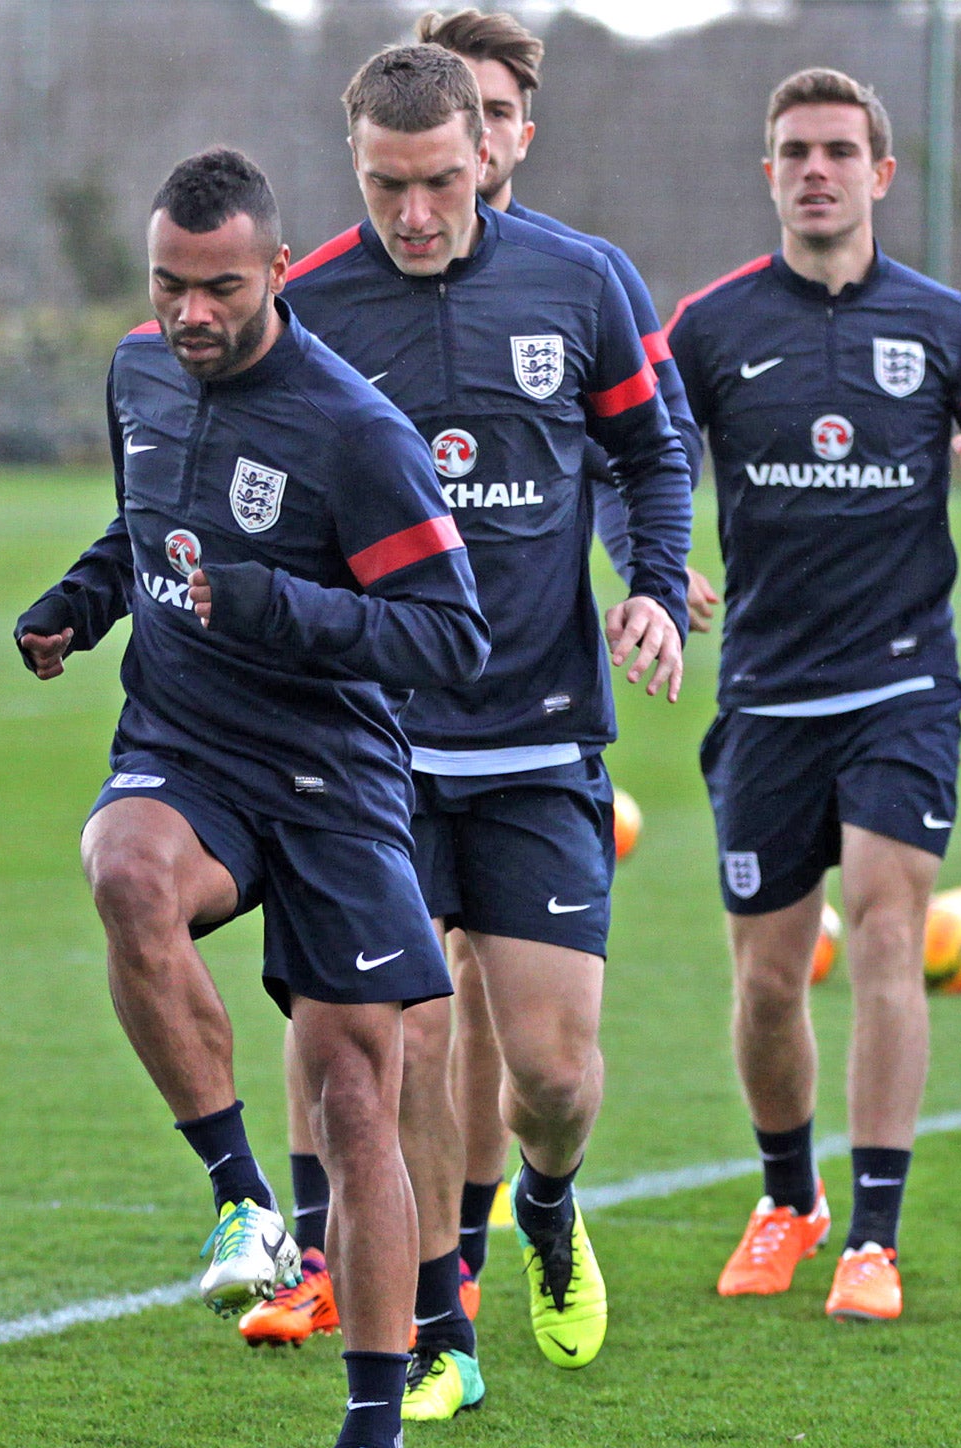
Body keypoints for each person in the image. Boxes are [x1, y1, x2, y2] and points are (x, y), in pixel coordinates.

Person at [15, 148, 486, 1448]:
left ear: (278, 270)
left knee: (353, 1098)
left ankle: (370, 1447)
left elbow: (451, 637)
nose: (188, 313)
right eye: (167, 283)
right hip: (187, 747)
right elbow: (149, 524)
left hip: (334, 777)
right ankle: (238, 1202)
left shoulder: (352, 431)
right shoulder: (139, 372)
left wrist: (279, 607)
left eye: (218, 287)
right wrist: (82, 602)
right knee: (122, 871)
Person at [240, 10, 714, 1355]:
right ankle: (436, 1336)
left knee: (554, 1073)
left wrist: (650, 583)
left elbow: (651, 449)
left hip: (537, 730)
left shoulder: (580, 281)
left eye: (439, 180)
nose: (414, 209)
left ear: (487, 151)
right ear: (354, 163)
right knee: (409, 1042)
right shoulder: (311, 307)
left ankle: (549, 1207)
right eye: (385, 184)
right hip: (371, 745)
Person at [667, 68, 961, 1322]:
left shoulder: (943, 324)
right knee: (767, 978)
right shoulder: (712, 324)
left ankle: (874, 1238)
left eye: (840, 150)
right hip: (765, 694)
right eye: (794, 150)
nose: (816, 170)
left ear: (881, 174)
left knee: (891, 930)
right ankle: (788, 1199)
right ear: (770, 173)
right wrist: (651, 559)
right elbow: (624, 451)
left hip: (902, 684)